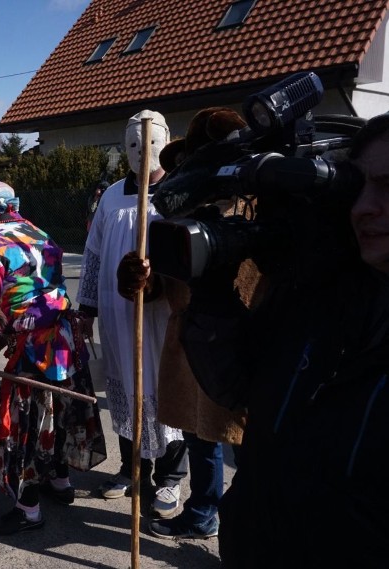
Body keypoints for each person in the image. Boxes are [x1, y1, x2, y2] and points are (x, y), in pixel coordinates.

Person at [178, 112, 389, 567]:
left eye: (388, 187)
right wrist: (214, 298)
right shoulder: (317, 293)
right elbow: (236, 388)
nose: (364, 208)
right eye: (360, 187)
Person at [116, 107, 253, 541]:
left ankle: (255, 522)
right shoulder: (178, 219)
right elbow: (159, 282)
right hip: (194, 342)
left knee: (248, 444)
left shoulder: (257, 211)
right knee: (199, 434)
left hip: (246, 344)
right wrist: (139, 278)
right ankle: (203, 510)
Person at [0, 181, 106, 536]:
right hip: (66, 342)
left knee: (27, 426)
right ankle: (61, 482)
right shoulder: (40, 233)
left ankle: (28, 509)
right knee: (58, 412)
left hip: (33, 352)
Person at [77, 110, 187, 519]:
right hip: (116, 311)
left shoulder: (178, 191)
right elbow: (91, 255)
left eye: (151, 142)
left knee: (162, 389)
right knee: (125, 385)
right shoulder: (111, 196)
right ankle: (133, 470)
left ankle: (171, 478)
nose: (143, 151)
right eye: (135, 144)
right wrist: (86, 308)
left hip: (159, 313)